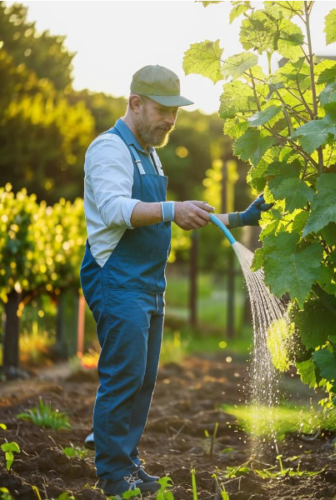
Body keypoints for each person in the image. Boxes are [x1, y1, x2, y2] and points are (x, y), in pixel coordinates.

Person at [80, 64, 271, 496]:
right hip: (117, 278)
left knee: (143, 378)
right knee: (123, 375)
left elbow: (176, 219)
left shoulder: (149, 153)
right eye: (163, 110)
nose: (170, 120)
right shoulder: (109, 149)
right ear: (135, 103)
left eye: (176, 112)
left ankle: (127, 461)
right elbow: (114, 209)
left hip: (148, 283)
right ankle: (113, 475)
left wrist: (242, 217)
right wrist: (171, 208)